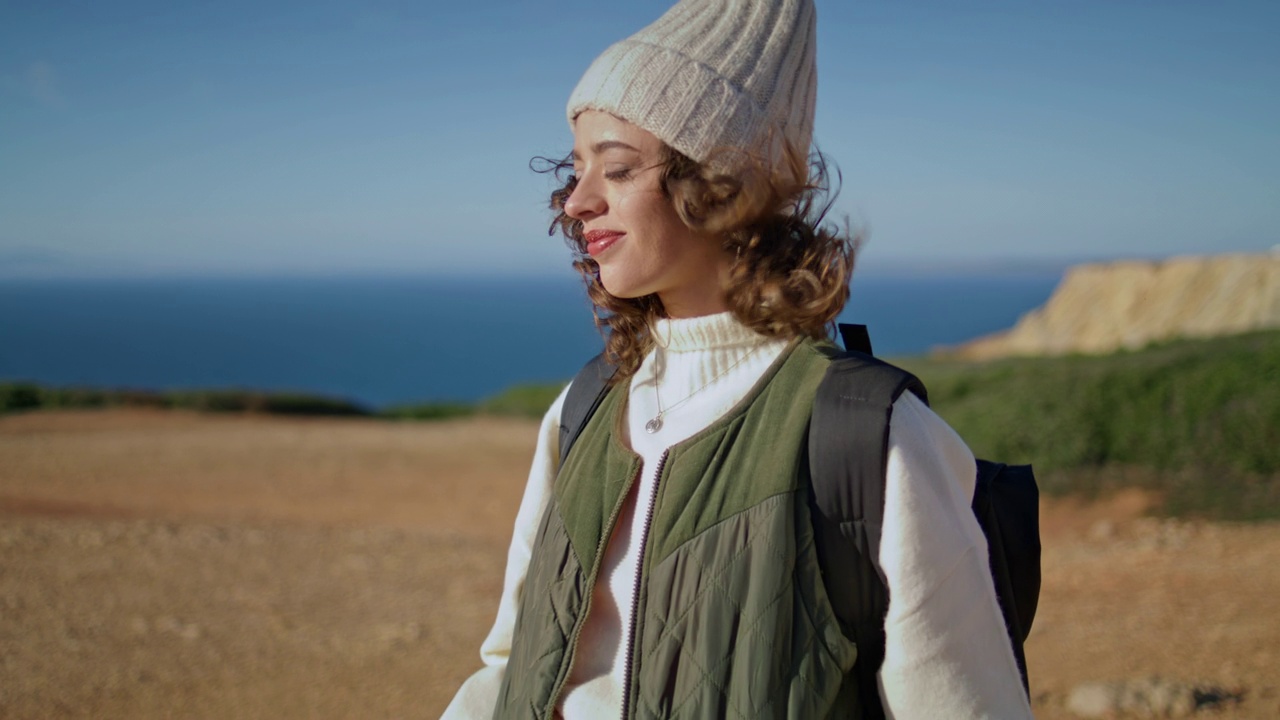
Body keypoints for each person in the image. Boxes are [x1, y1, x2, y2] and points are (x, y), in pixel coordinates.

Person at [443, 0, 1033, 717]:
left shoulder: (868, 437)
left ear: (723, 183)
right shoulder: (583, 409)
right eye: (575, 170)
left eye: (619, 169)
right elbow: (509, 672)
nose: (576, 202)